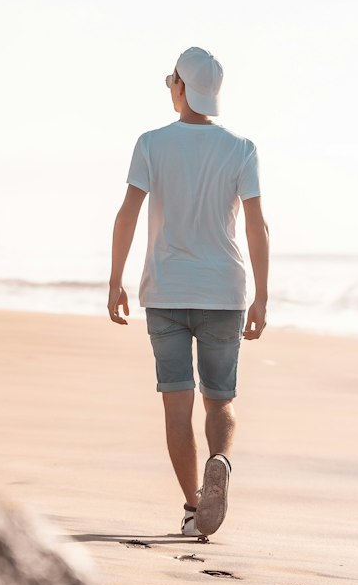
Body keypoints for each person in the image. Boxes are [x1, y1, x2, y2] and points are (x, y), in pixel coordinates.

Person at [108, 46, 269, 539]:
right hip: (224, 290)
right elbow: (258, 226)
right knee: (219, 399)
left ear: (180, 87)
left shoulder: (152, 144)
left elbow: (128, 213)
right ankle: (219, 460)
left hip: (166, 290)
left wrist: (114, 279)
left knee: (176, 403)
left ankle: (192, 507)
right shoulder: (240, 147)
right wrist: (262, 296)